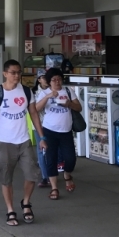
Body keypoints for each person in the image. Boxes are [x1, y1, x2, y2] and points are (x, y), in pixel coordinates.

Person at [0, 59, 48, 226]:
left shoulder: (26, 91)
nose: (17, 75)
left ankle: (26, 202)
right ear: (5, 74)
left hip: (24, 140)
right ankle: (10, 210)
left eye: (19, 72)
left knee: (32, 174)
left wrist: (42, 137)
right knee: (6, 178)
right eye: (13, 72)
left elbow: (34, 114)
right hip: (4, 141)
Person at [34, 68, 82, 199]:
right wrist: (48, 97)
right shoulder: (44, 93)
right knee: (51, 159)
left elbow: (79, 107)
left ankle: (67, 174)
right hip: (49, 130)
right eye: (54, 79)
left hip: (66, 131)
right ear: (49, 82)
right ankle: (54, 188)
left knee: (70, 158)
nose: (57, 82)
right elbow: (36, 109)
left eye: (59, 79)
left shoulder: (68, 91)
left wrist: (69, 104)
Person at [31, 73, 51, 188]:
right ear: (39, 79)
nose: (46, 80)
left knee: (51, 150)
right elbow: (35, 109)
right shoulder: (34, 93)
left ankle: (51, 174)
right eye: (44, 77)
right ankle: (45, 177)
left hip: (52, 125)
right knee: (41, 151)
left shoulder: (53, 90)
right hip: (39, 125)